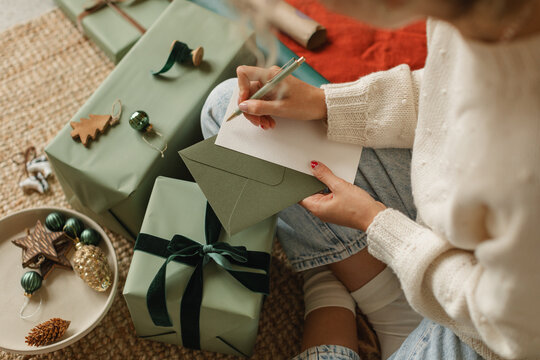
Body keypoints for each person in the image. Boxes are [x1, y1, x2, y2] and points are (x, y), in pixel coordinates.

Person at [200, 0, 540, 359]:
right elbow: (450, 89)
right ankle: (392, 305)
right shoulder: (487, 15)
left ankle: (345, 291)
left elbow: (515, 328)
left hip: (500, 334)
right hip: (459, 231)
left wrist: (377, 223)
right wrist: (324, 102)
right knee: (227, 114)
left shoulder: (521, 161)